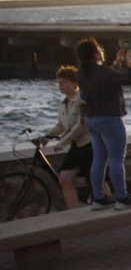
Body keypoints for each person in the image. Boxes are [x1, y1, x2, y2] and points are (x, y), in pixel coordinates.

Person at [75, 37, 131, 209]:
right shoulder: (102, 72)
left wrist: (117, 62)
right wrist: (129, 62)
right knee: (116, 159)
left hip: (91, 120)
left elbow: (106, 77)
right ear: (95, 53)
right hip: (109, 119)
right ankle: (121, 197)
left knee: (99, 159)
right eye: (99, 49)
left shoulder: (81, 73)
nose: (101, 51)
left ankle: (98, 197)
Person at [42, 66, 91, 209]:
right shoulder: (63, 104)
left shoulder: (81, 100)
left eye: (63, 82)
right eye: (59, 83)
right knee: (64, 179)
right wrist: (46, 136)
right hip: (77, 146)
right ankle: (74, 214)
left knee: (97, 180)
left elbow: (81, 126)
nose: (60, 86)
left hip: (89, 144)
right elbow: (61, 126)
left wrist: (63, 142)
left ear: (74, 82)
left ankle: (110, 208)